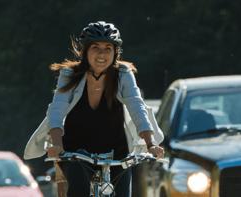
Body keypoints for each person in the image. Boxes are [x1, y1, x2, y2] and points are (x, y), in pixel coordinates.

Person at [23, 21, 165, 197]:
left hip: (116, 150)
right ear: (85, 52)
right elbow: (57, 109)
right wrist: (57, 145)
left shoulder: (123, 74)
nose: (101, 54)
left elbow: (137, 106)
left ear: (115, 53)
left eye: (108, 48)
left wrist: (151, 144)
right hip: (75, 151)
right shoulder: (69, 74)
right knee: (79, 190)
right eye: (95, 48)